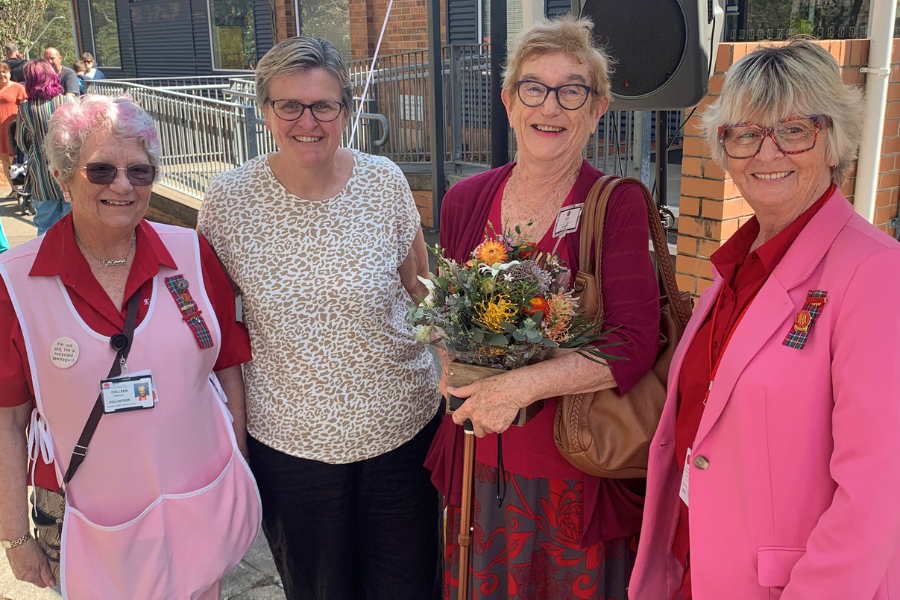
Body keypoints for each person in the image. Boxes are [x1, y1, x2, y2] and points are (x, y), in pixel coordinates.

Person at [629, 38, 900, 600]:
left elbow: (876, 501)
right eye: (746, 133)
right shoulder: (737, 267)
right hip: (696, 566)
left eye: (795, 128)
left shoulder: (876, 275)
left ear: (834, 140)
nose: (767, 153)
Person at [197, 36, 442, 600]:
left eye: (323, 105)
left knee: (408, 587)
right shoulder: (228, 200)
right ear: (264, 112)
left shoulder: (384, 183)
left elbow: (422, 288)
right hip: (291, 446)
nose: (307, 121)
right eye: (289, 105)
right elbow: (214, 328)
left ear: (346, 110)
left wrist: (460, 360)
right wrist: (228, 431)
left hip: (401, 432)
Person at [424, 16, 661, 600]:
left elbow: (632, 344)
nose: (550, 107)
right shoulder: (464, 200)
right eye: (534, 88)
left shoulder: (616, 205)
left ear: (597, 107)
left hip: (570, 466)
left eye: (571, 90)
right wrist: (446, 365)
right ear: (509, 102)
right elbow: (444, 313)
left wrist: (520, 389)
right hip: (479, 452)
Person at [0, 94, 261, 598]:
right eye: (101, 170)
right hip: (97, 530)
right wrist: (14, 535)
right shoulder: (16, 283)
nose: (122, 185)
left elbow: (227, 366)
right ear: (63, 176)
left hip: (202, 507)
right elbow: (7, 423)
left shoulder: (190, 252)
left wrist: (240, 462)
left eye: (139, 172)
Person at [16, 59, 75, 235]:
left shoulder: (26, 109)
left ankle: (48, 260)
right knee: (73, 223)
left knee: (45, 224)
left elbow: (22, 142)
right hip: (68, 172)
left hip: (41, 176)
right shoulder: (67, 102)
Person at [0, 62, 26, 198]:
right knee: (4, 160)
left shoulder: (18, 88)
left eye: (4, 72)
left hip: (13, 129)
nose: (2, 75)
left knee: (14, 161)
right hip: (0, 131)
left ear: (9, 73)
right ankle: (14, 189)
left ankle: (22, 190)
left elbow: (24, 109)